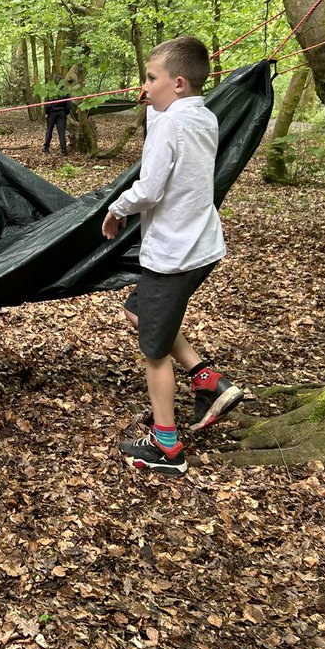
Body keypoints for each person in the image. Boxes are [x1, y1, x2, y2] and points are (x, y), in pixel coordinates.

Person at [101, 36, 244, 477]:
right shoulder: (204, 116)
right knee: (139, 312)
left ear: (177, 83)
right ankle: (207, 380)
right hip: (202, 247)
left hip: (174, 254)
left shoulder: (170, 125)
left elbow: (149, 188)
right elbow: (168, 134)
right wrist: (152, 106)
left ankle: (167, 446)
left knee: (154, 350)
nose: (144, 86)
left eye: (150, 78)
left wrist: (116, 208)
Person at [42, 90, 72, 155]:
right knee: (61, 131)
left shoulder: (50, 89)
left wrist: (47, 112)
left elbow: (46, 104)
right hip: (61, 112)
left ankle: (46, 147)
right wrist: (65, 112)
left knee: (49, 130)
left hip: (52, 113)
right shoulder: (64, 90)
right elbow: (68, 104)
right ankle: (63, 149)